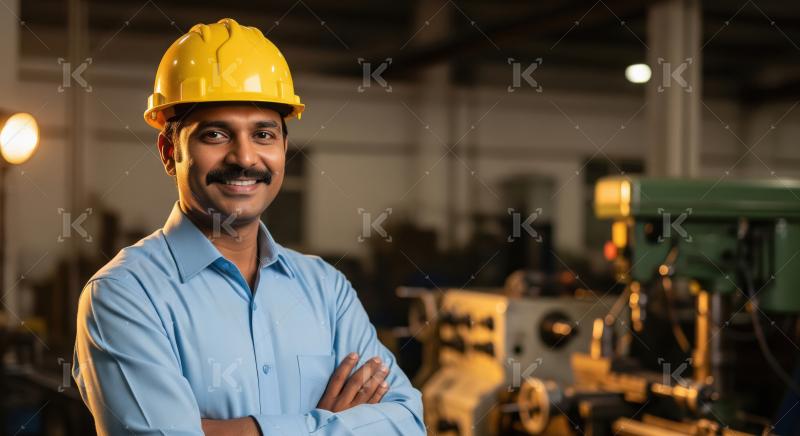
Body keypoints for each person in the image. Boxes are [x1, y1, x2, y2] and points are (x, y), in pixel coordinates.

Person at [72, 18, 424, 435]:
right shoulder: (124, 295)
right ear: (170, 151)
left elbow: (407, 422)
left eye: (263, 134)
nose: (244, 158)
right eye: (216, 135)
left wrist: (233, 430)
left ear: (283, 149)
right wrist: (333, 424)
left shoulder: (326, 290)